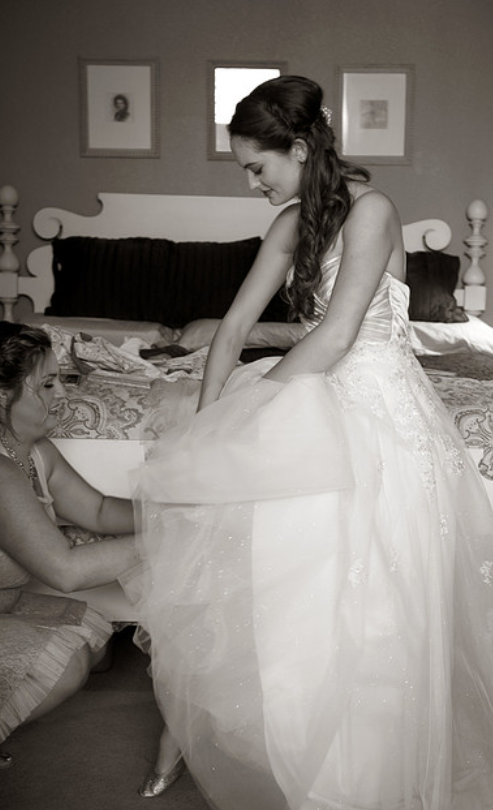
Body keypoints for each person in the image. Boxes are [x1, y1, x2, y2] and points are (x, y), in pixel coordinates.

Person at [129, 76, 493, 809]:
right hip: (313, 397)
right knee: (289, 596)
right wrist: (208, 430)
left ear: (298, 148)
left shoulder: (374, 210)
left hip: (380, 417)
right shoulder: (293, 220)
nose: (252, 184)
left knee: (375, 611)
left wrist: (257, 404)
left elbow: (334, 335)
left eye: (257, 168)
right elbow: (231, 330)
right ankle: (293, 762)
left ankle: (369, 779)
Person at [0, 322, 139, 766]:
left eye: (60, 379)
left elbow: (97, 510)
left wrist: (172, 510)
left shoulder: (33, 450)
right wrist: (175, 536)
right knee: (68, 665)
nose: (62, 394)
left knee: (95, 647)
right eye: (46, 384)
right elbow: (66, 571)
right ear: (3, 396)